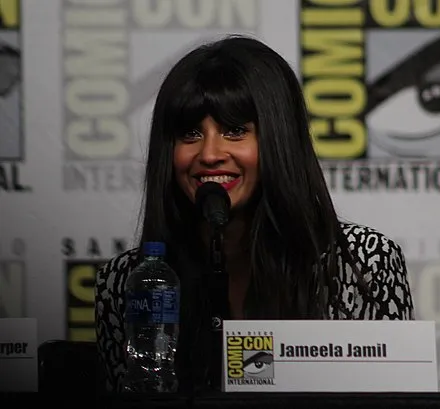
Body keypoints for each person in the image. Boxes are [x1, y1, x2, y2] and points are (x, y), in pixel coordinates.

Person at [95, 34, 415, 393]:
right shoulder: (126, 282)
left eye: (235, 131)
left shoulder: (363, 264)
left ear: (279, 141)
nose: (210, 153)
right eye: (190, 133)